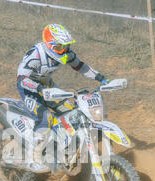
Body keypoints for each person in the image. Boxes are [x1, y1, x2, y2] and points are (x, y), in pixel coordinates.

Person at [16, 24, 110, 173]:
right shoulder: (35, 55)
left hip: (47, 85)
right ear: (49, 45)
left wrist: (101, 78)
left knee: (72, 114)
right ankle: (32, 159)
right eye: (60, 47)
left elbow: (80, 66)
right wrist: (38, 89)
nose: (64, 50)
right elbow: (21, 78)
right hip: (29, 89)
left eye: (66, 46)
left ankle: (62, 150)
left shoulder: (65, 52)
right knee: (45, 118)